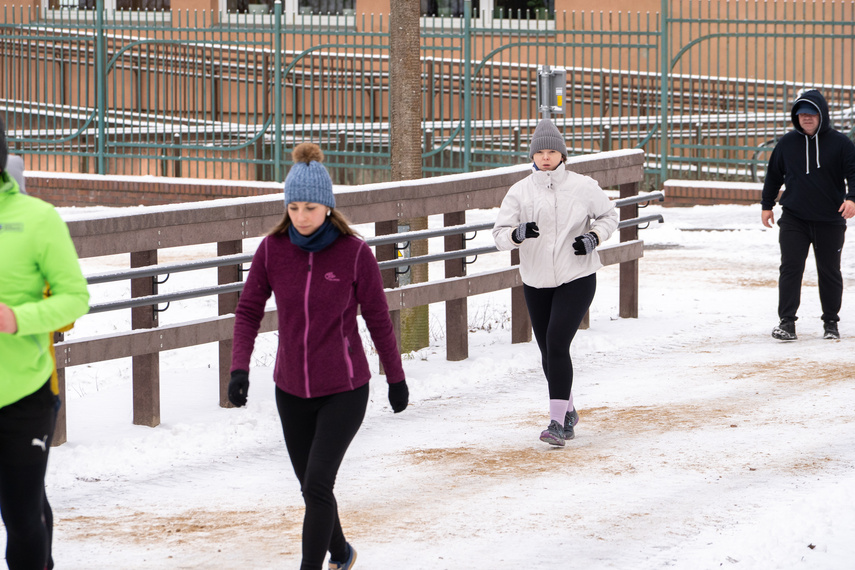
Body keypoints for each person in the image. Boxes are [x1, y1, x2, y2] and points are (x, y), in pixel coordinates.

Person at [229, 142, 409, 570]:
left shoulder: (354, 253)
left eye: (310, 207)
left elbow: (378, 318)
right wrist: (239, 368)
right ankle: (342, 552)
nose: (301, 216)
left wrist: (396, 377)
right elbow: (249, 310)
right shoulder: (272, 250)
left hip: (343, 389)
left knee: (317, 482)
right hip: (290, 388)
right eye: (294, 207)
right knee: (313, 488)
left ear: (327, 207)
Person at [492, 119, 618, 447]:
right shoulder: (520, 191)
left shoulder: (583, 186)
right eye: (540, 152)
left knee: (557, 343)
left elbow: (610, 216)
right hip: (535, 280)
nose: (546, 158)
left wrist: (593, 237)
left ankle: (557, 424)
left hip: (576, 275)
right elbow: (499, 235)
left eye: (552, 152)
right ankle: (569, 410)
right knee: (547, 350)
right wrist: (517, 234)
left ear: (563, 155)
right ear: (532, 157)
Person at [0, 119, 90, 569]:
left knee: (24, 512)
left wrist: (18, 318)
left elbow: (73, 301)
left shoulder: (36, 220)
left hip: (29, 390)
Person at [761, 89, 855, 341]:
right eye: (801, 113)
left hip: (830, 219)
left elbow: (854, 174)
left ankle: (831, 323)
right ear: (796, 116)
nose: (806, 117)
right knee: (790, 268)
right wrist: (766, 205)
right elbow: (773, 175)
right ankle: (787, 322)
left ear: (821, 114)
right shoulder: (787, 143)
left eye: (812, 113)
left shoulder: (841, 144)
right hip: (794, 218)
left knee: (829, 270)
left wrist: (852, 198)